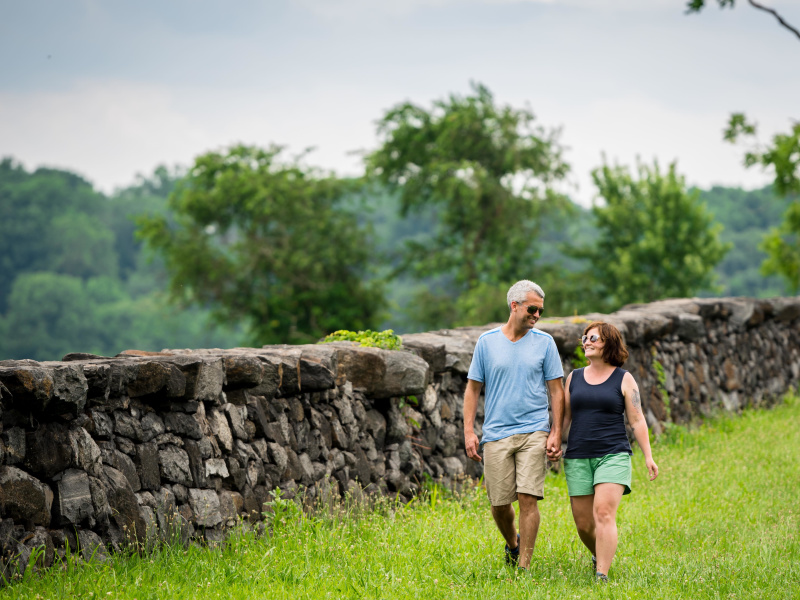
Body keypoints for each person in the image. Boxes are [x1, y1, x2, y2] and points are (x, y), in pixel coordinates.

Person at [463, 280, 565, 571]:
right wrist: (469, 431)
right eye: (532, 309)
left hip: (535, 429)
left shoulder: (545, 343)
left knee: (527, 498)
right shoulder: (487, 342)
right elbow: (472, 389)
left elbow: (556, 390)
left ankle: (524, 566)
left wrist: (556, 432)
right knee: (499, 504)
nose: (536, 315)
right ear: (514, 305)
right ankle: (512, 544)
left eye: (540, 311)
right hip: (496, 433)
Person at [562, 321, 659, 582]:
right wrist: (552, 439)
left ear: (609, 343)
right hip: (578, 455)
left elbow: (637, 420)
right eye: (585, 338)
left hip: (612, 454)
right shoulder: (574, 377)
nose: (587, 342)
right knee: (583, 524)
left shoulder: (624, 378)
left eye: (593, 338)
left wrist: (648, 456)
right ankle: (599, 553)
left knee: (603, 512)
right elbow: (565, 416)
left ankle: (601, 574)